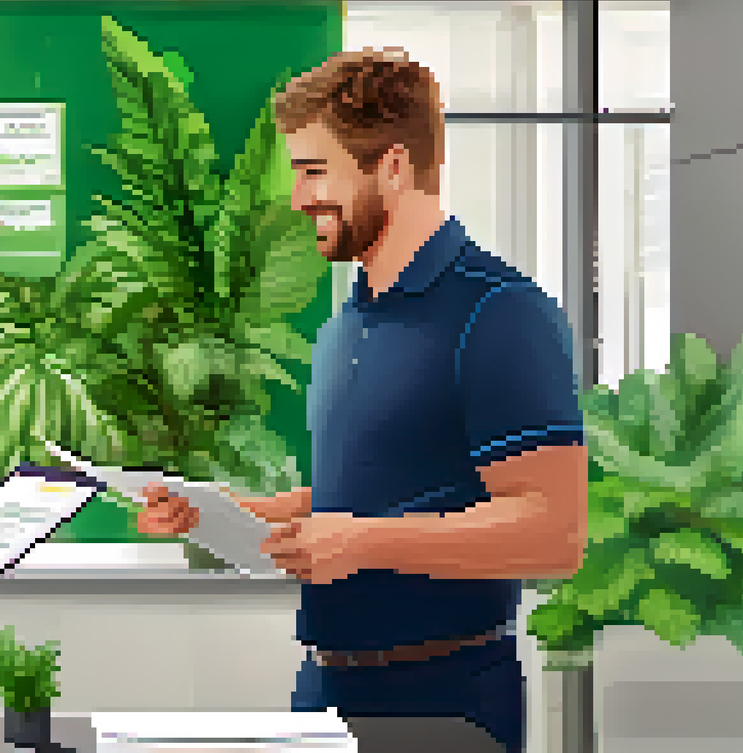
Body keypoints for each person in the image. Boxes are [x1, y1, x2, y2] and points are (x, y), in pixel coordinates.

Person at [137, 47, 589, 753]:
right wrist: (233, 514)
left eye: (316, 172)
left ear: (394, 167)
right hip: (322, 690)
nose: (297, 198)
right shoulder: (351, 318)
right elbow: (376, 488)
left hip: (443, 702)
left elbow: (554, 531)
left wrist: (367, 544)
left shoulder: (500, 313)